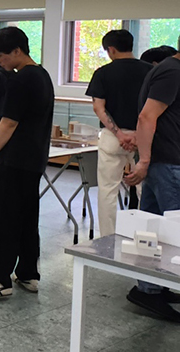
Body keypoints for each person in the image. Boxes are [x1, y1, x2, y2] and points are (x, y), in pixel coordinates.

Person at [0, 27, 54, 300]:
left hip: (13, 159)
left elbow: (8, 123)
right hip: (33, 159)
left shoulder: (21, 79)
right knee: (27, 217)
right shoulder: (42, 75)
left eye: (1, 55)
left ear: (17, 51)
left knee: (1, 219)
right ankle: (28, 273)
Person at [124, 40, 180, 322]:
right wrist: (144, 161)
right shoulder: (172, 71)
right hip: (167, 163)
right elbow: (147, 117)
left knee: (153, 230)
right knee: (173, 231)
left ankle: (151, 287)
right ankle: (151, 287)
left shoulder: (169, 70)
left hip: (164, 162)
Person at [85, 30, 153, 237]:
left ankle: (107, 237)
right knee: (145, 189)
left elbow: (99, 108)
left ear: (111, 49)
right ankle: (145, 236)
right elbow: (154, 109)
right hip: (144, 136)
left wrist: (120, 135)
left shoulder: (103, 73)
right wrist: (137, 135)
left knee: (107, 189)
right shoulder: (150, 71)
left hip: (112, 137)